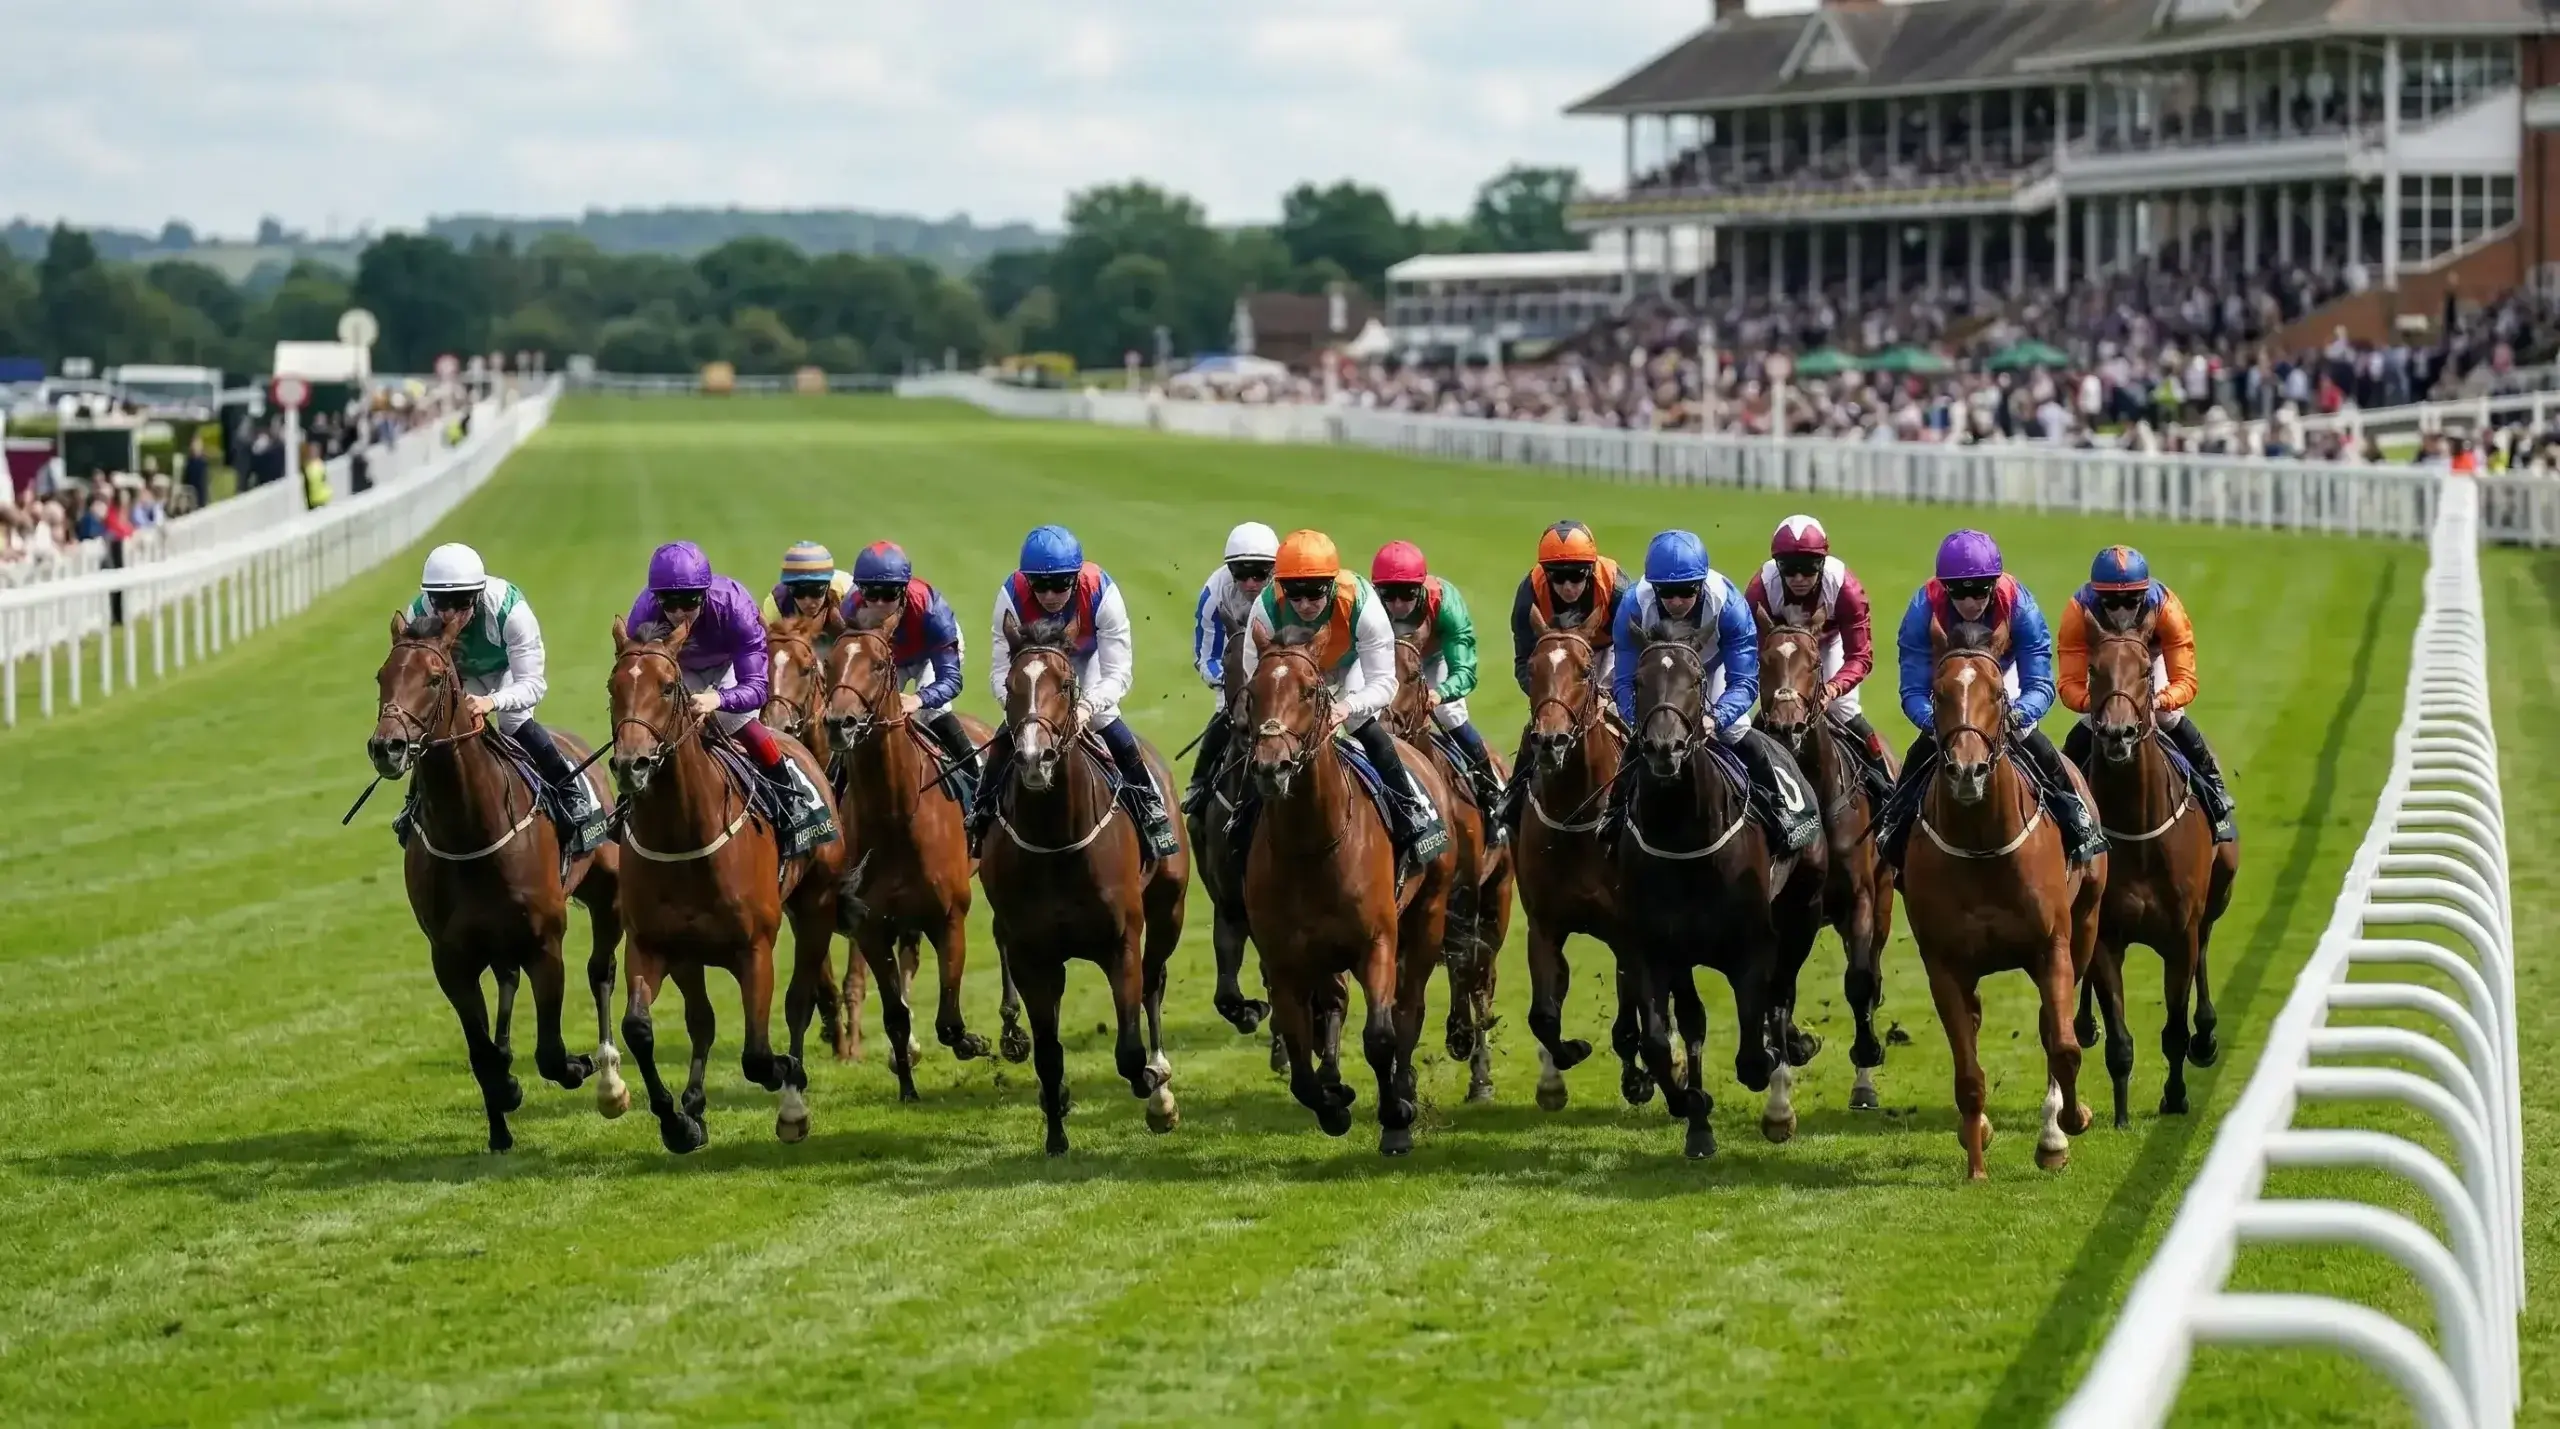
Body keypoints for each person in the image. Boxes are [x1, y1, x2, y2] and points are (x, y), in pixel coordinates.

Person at [1874, 529, 2106, 868]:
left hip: (2001, 675)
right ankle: (1895, 822)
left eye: (1981, 590)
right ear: (1944, 587)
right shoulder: (1923, 608)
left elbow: (2040, 683)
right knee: (1926, 744)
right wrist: (1935, 721)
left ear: (1995, 584)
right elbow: (1912, 689)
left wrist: (2016, 716)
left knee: (2028, 736)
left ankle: (2074, 814)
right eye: (1959, 592)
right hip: (1952, 681)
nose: (1971, 602)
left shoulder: (2019, 605)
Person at [1238, 529, 1447, 873]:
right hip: (1291, 674)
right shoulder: (1264, 608)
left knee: (1359, 725)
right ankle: (1238, 824)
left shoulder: (1363, 605)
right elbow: (1254, 678)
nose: (1304, 605)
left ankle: (1413, 812)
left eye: (1314, 595)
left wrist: (1345, 707)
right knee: (1261, 743)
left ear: (1332, 585)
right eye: (1294, 594)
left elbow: (1384, 682)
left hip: (1351, 668)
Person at [969, 524, 1179, 859]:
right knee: (1013, 731)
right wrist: (1022, 708)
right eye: (1039, 585)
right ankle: (981, 808)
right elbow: (999, 671)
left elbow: (1118, 672)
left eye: (1060, 585)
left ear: (1076, 578)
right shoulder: (1010, 596)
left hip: (1087, 660)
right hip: (1035, 665)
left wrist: (1085, 707)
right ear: (1027, 580)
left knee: (1107, 719)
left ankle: (1149, 804)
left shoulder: (1102, 593)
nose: (1050, 596)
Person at [1609, 529, 1820, 853]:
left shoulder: (1730, 604)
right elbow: (1623, 679)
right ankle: (1612, 815)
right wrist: (1637, 721)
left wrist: (1715, 718)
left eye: (1687, 592)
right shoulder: (1633, 606)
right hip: (1661, 673)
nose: (1677, 602)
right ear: (1654, 587)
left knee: (1737, 730)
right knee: (1644, 738)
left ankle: (1781, 809)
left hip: (1710, 667)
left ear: (1702, 584)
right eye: (1667, 593)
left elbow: (1744, 680)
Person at [624, 540, 835, 850]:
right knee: (648, 730)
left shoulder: (735, 605)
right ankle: (627, 804)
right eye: (670, 602)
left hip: (729, 667)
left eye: (690, 601)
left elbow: (758, 689)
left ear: (705, 593)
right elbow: (638, 681)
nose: (680, 613)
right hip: (677, 667)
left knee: (737, 722)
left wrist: (718, 700)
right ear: (657, 598)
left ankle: (791, 800)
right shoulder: (643, 614)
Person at [401, 542, 603, 850]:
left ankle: (568, 791)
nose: (448, 615)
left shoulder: (510, 612)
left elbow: (533, 684)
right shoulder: (418, 614)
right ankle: (413, 802)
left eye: (460, 602)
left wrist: (491, 702)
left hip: (508, 672)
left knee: (512, 720)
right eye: (440, 602)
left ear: (478, 595)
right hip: (462, 675)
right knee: (437, 725)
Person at [2058, 544, 2237, 842]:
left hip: (2149, 660)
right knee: (2091, 724)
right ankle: (2065, 796)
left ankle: (2213, 788)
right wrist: (2097, 704)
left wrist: (2159, 700)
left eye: (2131, 600)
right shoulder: (2079, 610)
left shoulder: (2165, 606)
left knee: (2169, 717)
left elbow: (2185, 680)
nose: (2121, 611)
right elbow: (2069, 683)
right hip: (2105, 665)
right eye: (2111, 602)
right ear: (2096, 595)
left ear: (2144, 593)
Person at [1741, 513, 1893, 809]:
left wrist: (1832, 689)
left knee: (1845, 709)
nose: (1799, 579)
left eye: (1809, 569)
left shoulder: (1846, 588)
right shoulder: (1760, 588)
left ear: (1822, 564)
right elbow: (1751, 651)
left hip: (1827, 645)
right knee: (1759, 715)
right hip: (1780, 652)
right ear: (1778, 567)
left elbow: (1860, 656)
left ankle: (1885, 790)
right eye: (1790, 569)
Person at [1497, 518, 1631, 832]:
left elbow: (1636, 650)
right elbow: (1523, 661)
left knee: (1629, 719)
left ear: (1591, 570)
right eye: (1558, 578)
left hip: (1613, 651)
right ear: (1545, 574)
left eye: (1577, 576)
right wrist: (1549, 700)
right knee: (1541, 725)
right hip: (1556, 655)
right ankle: (1514, 798)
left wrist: (1613, 692)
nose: (1568, 586)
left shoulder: (1619, 588)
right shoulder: (1528, 594)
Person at [1371, 539, 1506, 838]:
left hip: (1434, 659)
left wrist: (1440, 692)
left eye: (1406, 594)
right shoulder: (1368, 606)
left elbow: (1464, 669)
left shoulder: (1445, 602)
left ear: (1421, 588)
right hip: (1386, 662)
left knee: (1449, 713)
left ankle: (1490, 790)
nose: (1397, 605)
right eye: (1388, 595)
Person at [835, 540, 981, 814]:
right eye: (871, 593)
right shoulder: (851, 609)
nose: (879, 603)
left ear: (903, 590)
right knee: (861, 715)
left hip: (930, 654)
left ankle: (976, 786)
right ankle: (836, 790)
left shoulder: (933, 611)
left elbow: (951, 679)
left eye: (889, 594)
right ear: (860, 590)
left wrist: (918, 699)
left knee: (932, 712)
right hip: (889, 659)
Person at [1182, 520, 1279, 815]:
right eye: (1240, 573)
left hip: (1278, 668)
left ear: (1274, 570)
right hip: (1234, 671)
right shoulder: (1214, 593)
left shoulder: (1289, 589)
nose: (1250, 583)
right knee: (1225, 717)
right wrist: (1234, 685)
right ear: (1229, 570)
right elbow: (1206, 656)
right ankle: (1199, 784)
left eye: (1259, 574)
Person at [760, 540, 853, 624]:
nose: (807, 601)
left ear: (828, 584)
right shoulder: (776, 605)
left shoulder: (847, 590)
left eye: (816, 590)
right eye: (798, 591)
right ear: (788, 587)